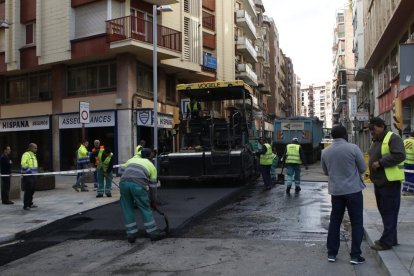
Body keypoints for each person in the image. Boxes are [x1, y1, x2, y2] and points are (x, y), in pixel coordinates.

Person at [321, 125, 367, 264]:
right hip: (353, 191)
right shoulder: (353, 148)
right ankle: (355, 255)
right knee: (357, 222)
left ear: (333, 136)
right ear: (345, 135)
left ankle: (332, 253)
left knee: (335, 221)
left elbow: (325, 172)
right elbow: (363, 168)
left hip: (336, 192)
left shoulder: (325, 152)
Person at [368, 117, 405, 251]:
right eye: (370, 130)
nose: (372, 132)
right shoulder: (377, 140)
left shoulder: (392, 138)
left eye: (374, 129)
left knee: (389, 212)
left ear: (381, 126)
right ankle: (391, 238)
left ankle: (386, 242)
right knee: (386, 212)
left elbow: (400, 155)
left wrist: (380, 163)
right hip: (380, 182)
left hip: (390, 182)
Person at [119, 148, 166, 243]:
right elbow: (153, 187)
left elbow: (120, 171)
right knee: (145, 208)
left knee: (127, 208)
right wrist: (153, 200)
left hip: (123, 184)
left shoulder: (131, 160)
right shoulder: (151, 166)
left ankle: (131, 234)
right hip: (138, 186)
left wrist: (129, 175)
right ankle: (153, 233)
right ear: (150, 157)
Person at [21, 143, 39, 210]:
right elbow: (23, 164)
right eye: (35, 148)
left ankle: (30, 203)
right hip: (28, 176)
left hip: (33, 176)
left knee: (32, 190)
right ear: (31, 148)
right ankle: (26, 205)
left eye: (36, 148)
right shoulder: (26, 155)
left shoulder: (33, 155)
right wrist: (29, 171)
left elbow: (34, 166)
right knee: (28, 190)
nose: (36, 149)